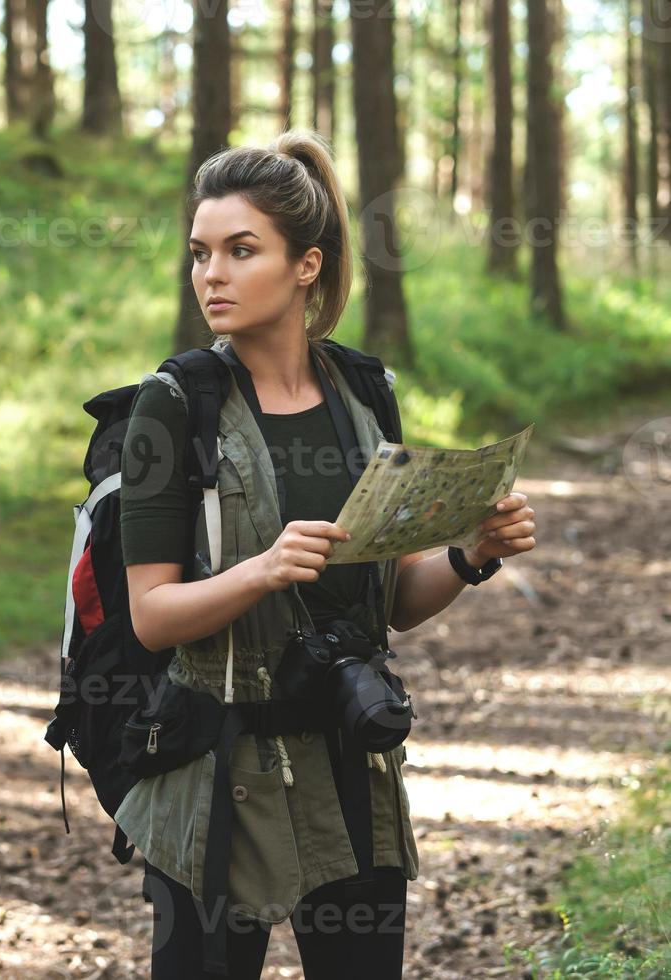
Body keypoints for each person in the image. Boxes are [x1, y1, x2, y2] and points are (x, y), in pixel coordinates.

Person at [113, 129, 538, 978]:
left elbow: (390, 602)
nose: (212, 275)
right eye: (200, 253)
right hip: (212, 784)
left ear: (307, 266)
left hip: (353, 766)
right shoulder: (174, 406)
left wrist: (469, 557)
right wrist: (260, 569)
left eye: (241, 251)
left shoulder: (364, 396)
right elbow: (152, 618)